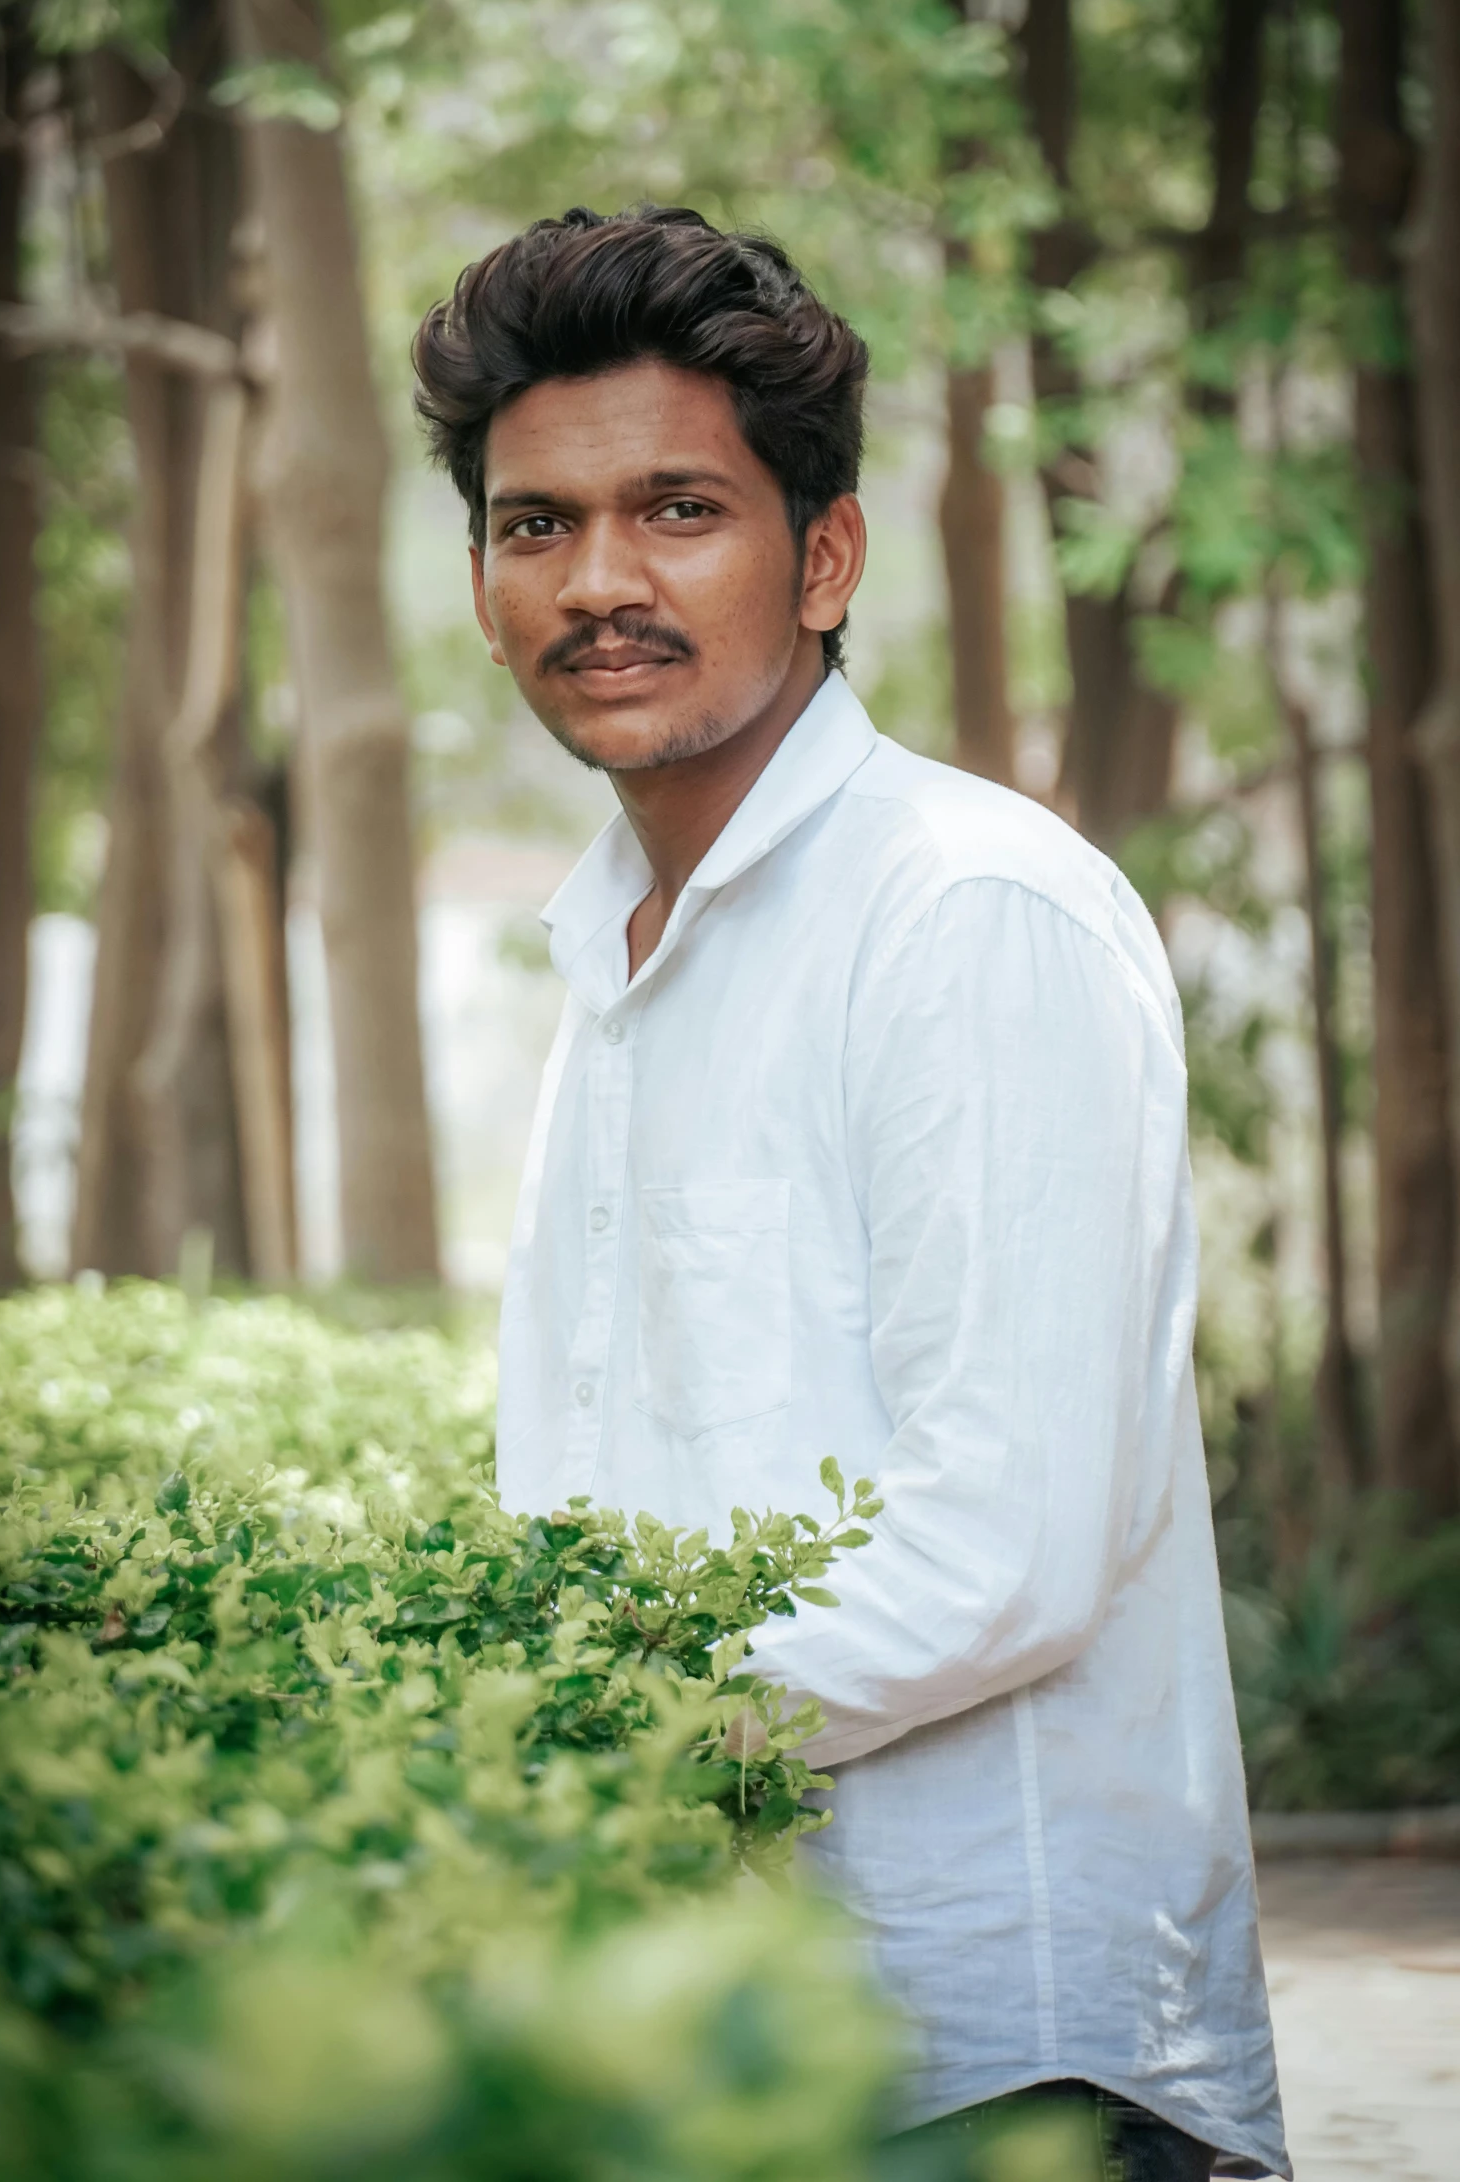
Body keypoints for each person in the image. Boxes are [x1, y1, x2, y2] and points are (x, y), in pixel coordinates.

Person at [411, 205, 1290, 2182]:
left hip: (997, 2063)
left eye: (676, 509)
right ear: (479, 586)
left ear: (826, 555)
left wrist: (573, 1749)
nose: (598, 579)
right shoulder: (609, 969)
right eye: (535, 523)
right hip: (716, 2054)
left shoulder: (960, 913)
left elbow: (1007, 1537)